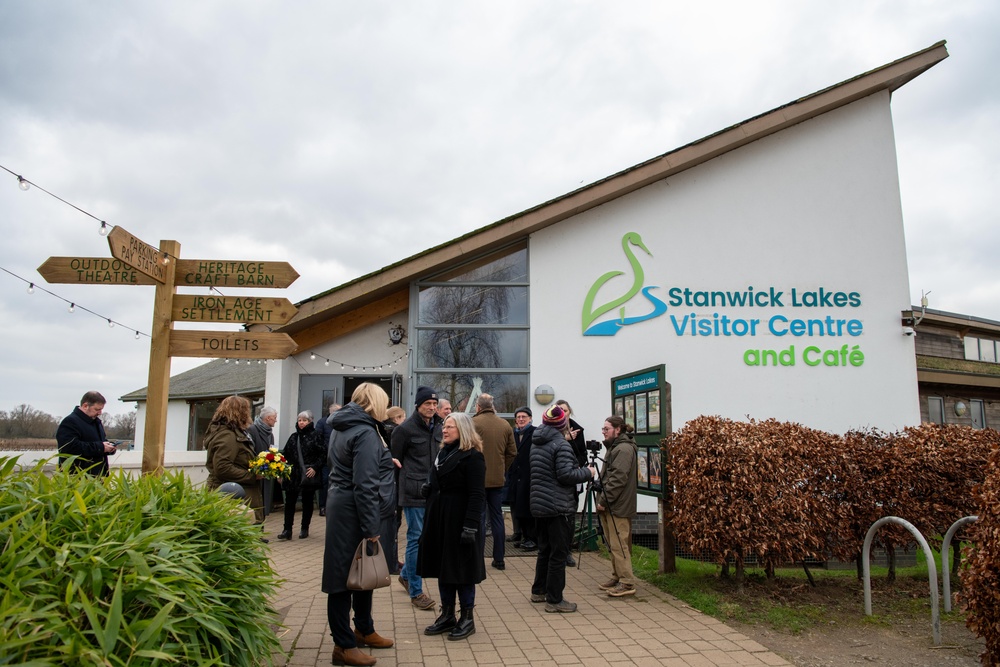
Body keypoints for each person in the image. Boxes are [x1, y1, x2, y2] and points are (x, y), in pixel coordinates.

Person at [322, 384, 396, 666]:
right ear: (376, 403)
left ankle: (364, 629)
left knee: (361, 571)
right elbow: (364, 484)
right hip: (354, 509)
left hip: (342, 504)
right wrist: (371, 527)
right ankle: (343, 645)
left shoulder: (345, 425)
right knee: (342, 578)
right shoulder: (364, 431)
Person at [417, 412, 487, 640]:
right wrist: (430, 488)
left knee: (462, 570)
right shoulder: (443, 454)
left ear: (463, 430)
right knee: (443, 567)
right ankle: (447, 614)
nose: (444, 430)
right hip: (439, 518)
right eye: (444, 427)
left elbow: (477, 495)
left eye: (450, 427)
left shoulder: (473, 457)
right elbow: (438, 481)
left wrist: (471, 526)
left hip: (461, 520)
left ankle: (467, 617)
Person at [529, 405, 596, 613]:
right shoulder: (561, 445)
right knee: (559, 553)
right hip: (559, 507)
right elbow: (566, 475)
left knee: (544, 550)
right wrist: (588, 472)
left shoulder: (537, 442)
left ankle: (538, 590)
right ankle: (555, 600)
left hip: (540, 505)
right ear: (562, 424)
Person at [390, 386, 442, 611]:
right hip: (413, 491)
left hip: (433, 491)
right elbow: (395, 463)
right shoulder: (404, 430)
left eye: (434, 404)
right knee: (416, 539)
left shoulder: (439, 426)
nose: (431, 408)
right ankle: (416, 591)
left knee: (427, 538)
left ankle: (405, 574)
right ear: (418, 405)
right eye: (427, 404)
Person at [595, 416, 639, 597]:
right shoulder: (614, 447)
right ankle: (617, 576)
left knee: (619, 545)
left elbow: (617, 479)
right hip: (611, 504)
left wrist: (603, 501)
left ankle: (627, 582)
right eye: (603, 428)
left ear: (618, 429)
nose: (603, 432)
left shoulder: (623, 449)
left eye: (607, 429)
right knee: (612, 544)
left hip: (617, 506)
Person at [472, 393, 516, 570]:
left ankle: (478, 559)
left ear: (478, 407)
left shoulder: (473, 424)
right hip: (497, 479)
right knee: (498, 518)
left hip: (477, 478)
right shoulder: (504, 424)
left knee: (479, 518)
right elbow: (512, 452)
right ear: (493, 405)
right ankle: (499, 559)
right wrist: (502, 468)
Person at [204, 395, 264, 524]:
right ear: (241, 412)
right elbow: (222, 467)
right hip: (234, 496)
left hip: (238, 493)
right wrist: (253, 476)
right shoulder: (227, 435)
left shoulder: (231, 432)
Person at [277, 410, 326, 540]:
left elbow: (323, 454)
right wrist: (281, 471)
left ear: (310, 422)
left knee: (307, 502)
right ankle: (287, 529)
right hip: (293, 474)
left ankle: (305, 528)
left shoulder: (316, 435)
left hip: (308, 474)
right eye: (299, 420)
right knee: (290, 502)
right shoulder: (293, 437)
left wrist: (315, 467)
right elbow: (285, 455)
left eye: (304, 420)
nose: (301, 423)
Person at [555, 398, 587, 567]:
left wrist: (577, 467)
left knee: (570, 514)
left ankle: (567, 550)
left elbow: (583, 454)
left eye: (565, 410)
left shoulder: (578, 430)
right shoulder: (551, 430)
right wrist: (564, 439)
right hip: (555, 479)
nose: (563, 413)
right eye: (559, 410)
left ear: (569, 412)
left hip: (572, 476)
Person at [56, 390, 116, 476]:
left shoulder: (96, 422)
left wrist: (109, 447)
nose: (100, 413)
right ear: (85, 406)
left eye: (101, 409)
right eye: (97, 409)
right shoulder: (70, 422)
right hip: (77, 477)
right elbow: (69, 447)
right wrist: (101, 447)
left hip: (97, 476)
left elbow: (98, 443)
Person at [506, 406, 536, 549]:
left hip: (529, 477)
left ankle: (532, 539)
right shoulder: (513, 434)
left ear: (530, 418)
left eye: (524, 416)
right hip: (516, 478)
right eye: (518, 417)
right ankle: (524, 537)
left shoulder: (535, 433)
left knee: (528, 510)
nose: (521, 419)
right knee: (519, 508)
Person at [247, 406, 278, 515]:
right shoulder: (252, 430)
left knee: (264, 507)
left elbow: (273, 451)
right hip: (256, 476)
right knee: (256, 508)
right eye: (275, 417)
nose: (276, 420)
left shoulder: (271, 434)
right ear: (268, 418)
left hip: (266, 475)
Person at [316, 403, 342, 517]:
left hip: (340, 459)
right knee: (326, 482)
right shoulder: (322, 423)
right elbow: (317, 440)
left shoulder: (342, 423)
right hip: (326, 459)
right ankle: (323, 506)